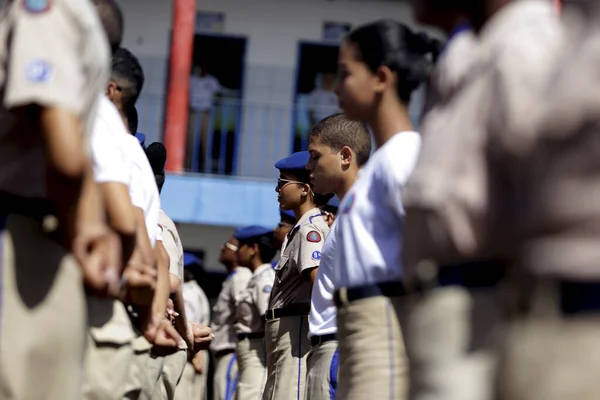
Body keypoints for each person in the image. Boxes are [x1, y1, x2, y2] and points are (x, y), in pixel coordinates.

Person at [402, 1, 564, 399]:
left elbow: (544, 202)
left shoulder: (527, 45)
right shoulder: (470, 50)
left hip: (485, 308)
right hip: (446, 302)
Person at [0, 0, 119, 398]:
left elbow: (65, 154)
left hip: (20, 238)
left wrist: (82, 225)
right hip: (43, 235)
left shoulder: (48, 8)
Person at [331, 20, 437, 400]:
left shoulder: (402, 157)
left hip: (384, 325)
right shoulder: (382, 161)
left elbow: (428, 256)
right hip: (358, 325)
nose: (336, 87)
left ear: (381, 78)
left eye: (346, 73)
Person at [83, 1, 159, 398]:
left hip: (98, 303)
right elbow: (155, 253)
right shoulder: (132, 151)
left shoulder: (97, 123)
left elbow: (127, 217)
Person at [305, 113, 372, 400]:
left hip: (337, 348)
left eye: (315, 157)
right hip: (331, 348)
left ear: (345, 156)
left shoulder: (360, 211)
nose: (308, 167)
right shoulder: (346, 212)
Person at [262, 151, 330, 400]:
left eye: (282, 183)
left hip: (295, 330)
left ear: (304, 189)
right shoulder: (299, 229)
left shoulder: (309, 230)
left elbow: (317, 282)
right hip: (285, 331)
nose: (277, 190)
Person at [233, 226, 277, 400]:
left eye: (241, 246)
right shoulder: (256, 278)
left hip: (257, 353)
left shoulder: (264, 279)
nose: (237, 251)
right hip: (248, 352)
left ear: (253, 249)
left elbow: (268, 320)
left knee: (250, 395)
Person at [211, 234, 252, 400]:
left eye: (227, 246)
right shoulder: (233, 277)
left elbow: (245, 313)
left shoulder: (241, 277)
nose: (222, 248)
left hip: (231, 351)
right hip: (224, 354)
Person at [176, 263, 211, 400]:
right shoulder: (198, 291)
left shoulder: (187, 293)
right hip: (198, 350)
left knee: (182, 394)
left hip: (191, 352)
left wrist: (195, 356)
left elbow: (187, 328)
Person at [187, 63, 221, 171]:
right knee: (191, 140)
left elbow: (219, 94)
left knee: (206, 141)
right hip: (193, 112)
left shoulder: (212, 81)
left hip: (205, 113)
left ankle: (205, 168)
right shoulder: (192, 79)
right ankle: (188, 166)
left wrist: (215, 100)